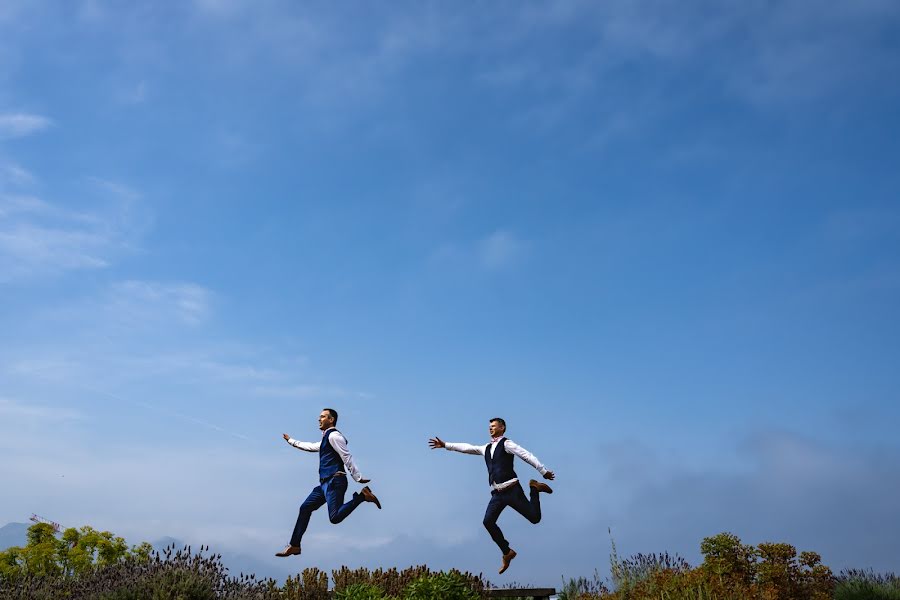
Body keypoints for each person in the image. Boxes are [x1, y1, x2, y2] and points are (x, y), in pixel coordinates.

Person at [429, 417, 555, 574]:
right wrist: (446, 445)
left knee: (535, 518)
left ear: (502, 428)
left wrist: (543, 471)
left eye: (494, 426)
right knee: (488, 522)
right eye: (489, 426)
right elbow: (468, 448)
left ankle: (534, 489)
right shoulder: (486, 448)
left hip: (512, 490)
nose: (490, 428)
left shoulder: (508, 444)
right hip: (497, 494)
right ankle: (507, 552)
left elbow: (526, 455)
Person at [276, 408, 381, 557]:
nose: (319, 419)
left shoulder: (335, 437)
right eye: (319, 417)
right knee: (305, 508)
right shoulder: (326, 439)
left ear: (331, 420)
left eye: (323, 417)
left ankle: (362, 497)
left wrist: (357, 477)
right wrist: (291, 441)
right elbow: (310, 446)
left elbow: (347, 457)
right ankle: (295, 545)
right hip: (324, 484)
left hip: (335, 482)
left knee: (335, 518)